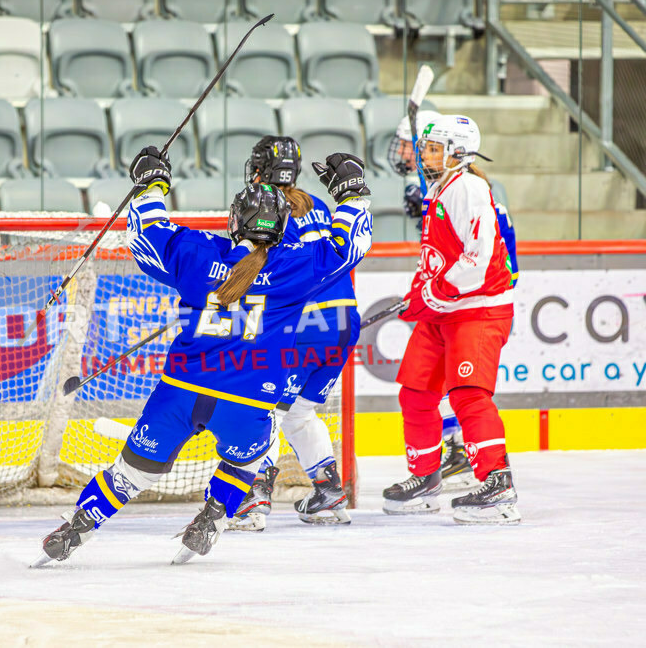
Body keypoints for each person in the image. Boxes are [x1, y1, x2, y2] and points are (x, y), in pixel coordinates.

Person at [37, 147, 373, 564]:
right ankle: (213, 517)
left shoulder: (198, 251)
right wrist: (353, 193)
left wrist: (152, 184)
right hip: (248, 402)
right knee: (253, 452)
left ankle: (77, 528)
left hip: (179, 393)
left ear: (234, 219)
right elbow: (348, 246)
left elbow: (147, 233)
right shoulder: (294, 268)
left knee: (130, 474)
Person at [382, 114, 520, 524]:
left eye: (433, 148)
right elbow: (437, 255)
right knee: (415, 391)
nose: (424, 154)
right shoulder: (444, 186)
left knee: (468, 395)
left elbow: (477, 260)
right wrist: (420, 290)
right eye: (425, 146)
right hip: (445, 311)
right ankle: (425, 479)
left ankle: (499, 485)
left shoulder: (471, 189)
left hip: (478, 308)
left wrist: (435, 291)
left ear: (457, 153)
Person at [230, 137, 358, 530]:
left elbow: (256, 271)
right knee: (299, 412)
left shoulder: (261, 206)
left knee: (261, 407)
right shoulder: (315, 204)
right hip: (342, 320)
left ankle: (253, 496)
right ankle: (328, 490)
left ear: (258, 168)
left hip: (303, 324)